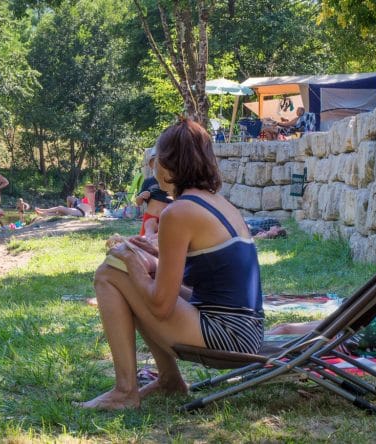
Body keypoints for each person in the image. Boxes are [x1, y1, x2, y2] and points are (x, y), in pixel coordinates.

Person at [80, 118, 263, 410]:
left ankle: (125, 391)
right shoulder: (216, 202)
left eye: (156, 160)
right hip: (246, 329)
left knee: (109, 273)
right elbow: (201, 273)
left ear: (166, 166)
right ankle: (168, 380)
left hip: (227, 335)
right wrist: (149, 257)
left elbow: (161, 305)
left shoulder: (178, 212)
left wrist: (129, 260)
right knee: (129, 272)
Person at [135, 149, 172, 239]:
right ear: (151, 166)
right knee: (145, 242)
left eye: (160, 164)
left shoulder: (172, 181)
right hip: (150, 217)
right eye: (154, 164)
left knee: (163, 243)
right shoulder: (148, 181)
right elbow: (138, 202)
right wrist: (141, 196)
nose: (157, 166)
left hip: (167, 219)